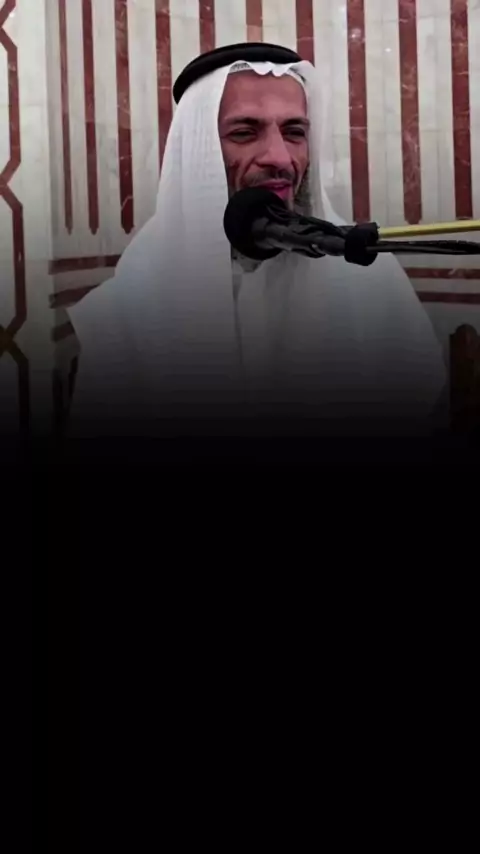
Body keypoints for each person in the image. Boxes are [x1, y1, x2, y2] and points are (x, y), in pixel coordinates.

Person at [67, 43, 446, 440]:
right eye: (245, 133)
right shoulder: (131, 307)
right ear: (199, 151)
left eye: (294, 132)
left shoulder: (368, 278)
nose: (279, 157)